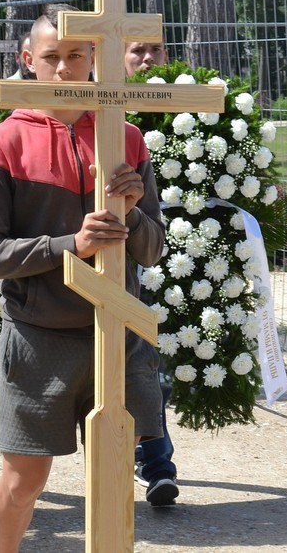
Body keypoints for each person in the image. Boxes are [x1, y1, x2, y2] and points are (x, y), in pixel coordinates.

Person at [0, 5, 165, 552]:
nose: (63, 69)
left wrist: (132, 208)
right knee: (25, 478)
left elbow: (151, 248)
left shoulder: (126, 137)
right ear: (27, 61)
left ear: (94, 58)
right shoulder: (3, 142)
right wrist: (68, 247)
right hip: (40, 336)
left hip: (117, 333)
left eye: (75, 55)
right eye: (51, 57)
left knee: (116, 470)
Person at [122, 38, 180, 506]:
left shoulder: (182, 96)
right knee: (137, 363)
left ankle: (156, 462)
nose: (147, 59)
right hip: (119, 258)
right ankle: (155, 461)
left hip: (167, 247)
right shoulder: (97, 100)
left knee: (146, 366)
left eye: (155, 50)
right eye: (136, 50)